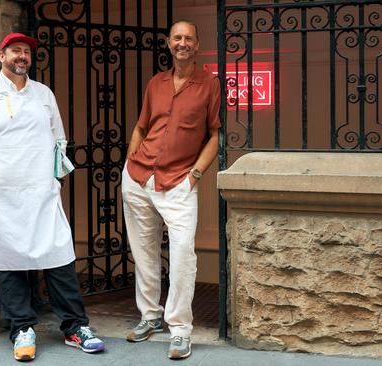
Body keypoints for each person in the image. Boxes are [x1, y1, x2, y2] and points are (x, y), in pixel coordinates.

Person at [0, 32, 105, 362]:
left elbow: (58, 140)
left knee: (58, 256)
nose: (22, 56)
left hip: (40, 195)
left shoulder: (43, 95)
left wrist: (54, 182)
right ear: (1, 55)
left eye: (26, 52)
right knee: (7, 262)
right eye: (15, 51)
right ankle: (22, 328)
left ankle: (76, 327)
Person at [122, 20, 220, 360]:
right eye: (177, 38)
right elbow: (141, 126)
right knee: (144, 252)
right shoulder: (156, 83)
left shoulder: (209, 85)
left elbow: (214, 136)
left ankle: (179, 328)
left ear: (197, 45)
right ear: (168, 43)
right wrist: (130, 160)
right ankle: (150, 317)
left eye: (189, 38)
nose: (182, 43)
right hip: (138, 178)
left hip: (178, 181)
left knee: (182, 256)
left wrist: (194, 175)